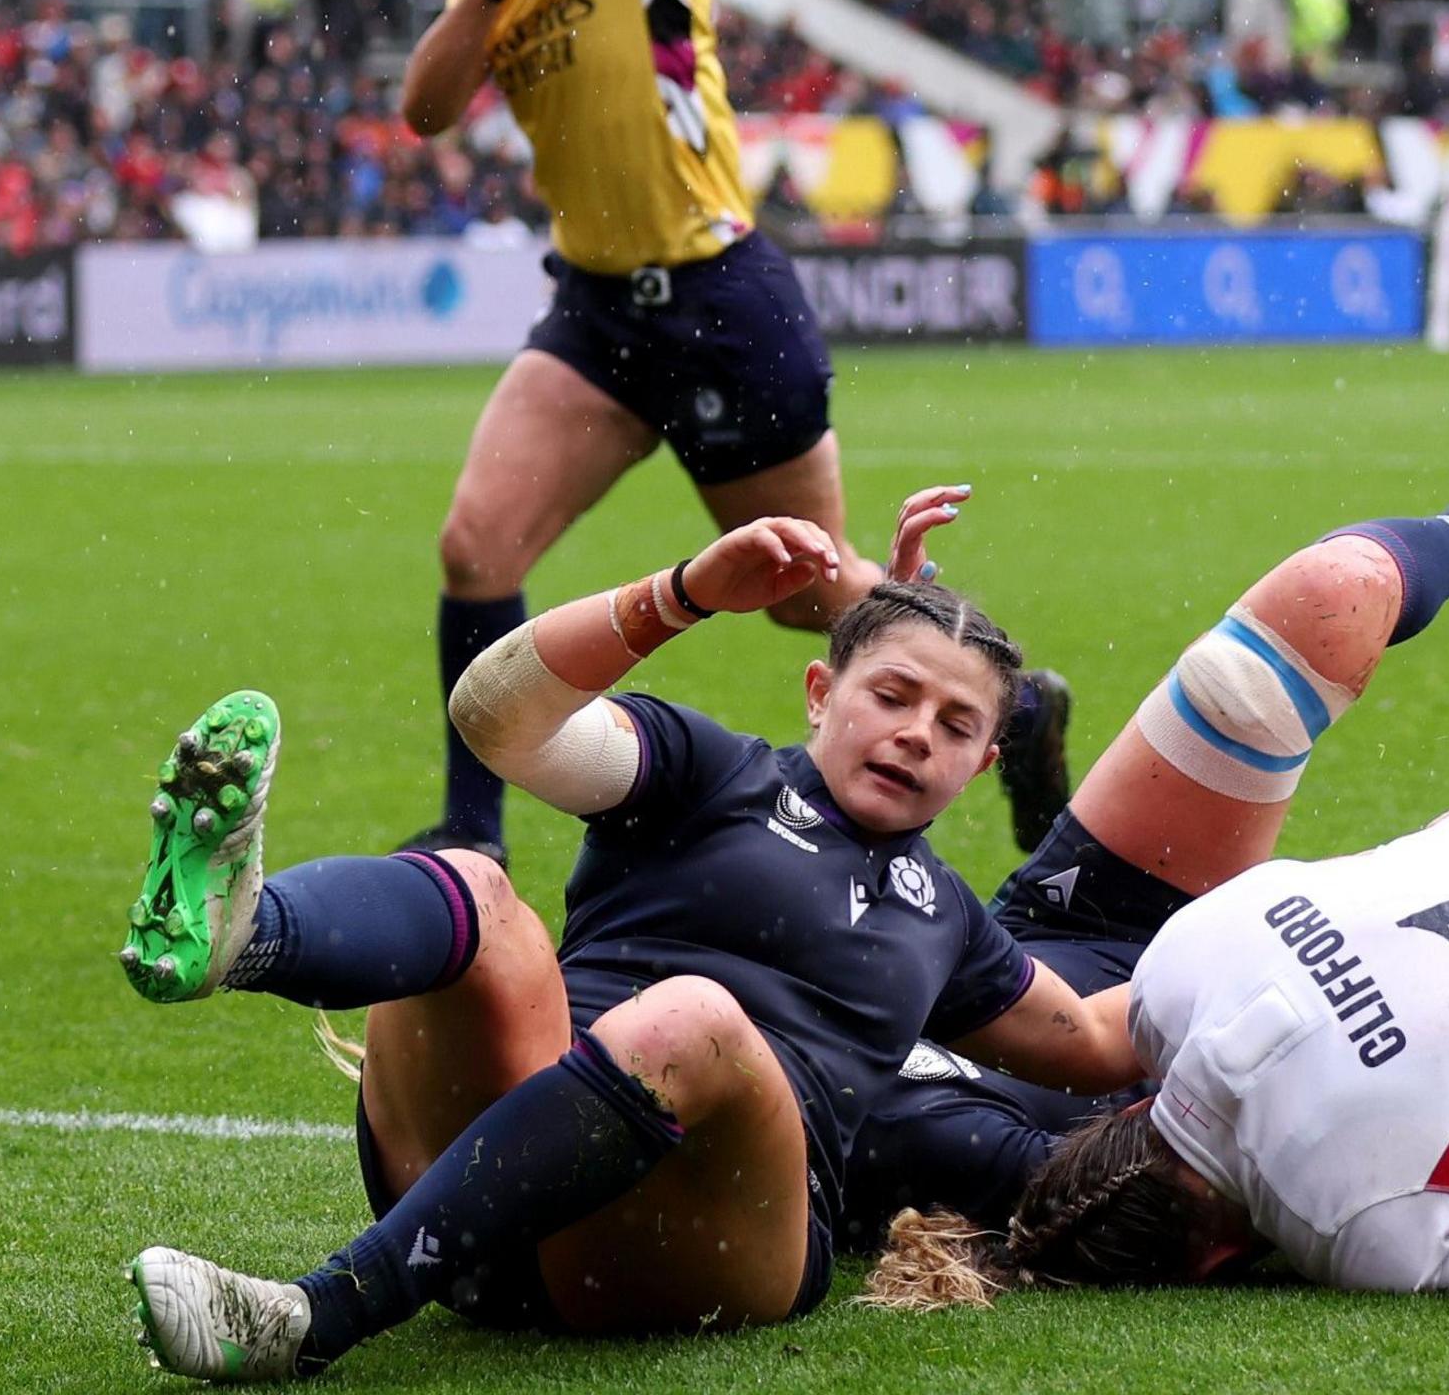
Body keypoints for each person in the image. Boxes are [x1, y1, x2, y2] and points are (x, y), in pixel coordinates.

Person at [391, 0, 1065, 865]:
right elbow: (427, 109)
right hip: (596, 312)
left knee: (815, 596)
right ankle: (472, 838)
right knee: (474, 549)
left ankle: (1015, 698)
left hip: (718, 297)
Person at [115, 504, 1140, 1382]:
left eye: (957, 725)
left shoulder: (948, 917)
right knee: (478, 884)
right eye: (893, 694)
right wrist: (682, 593)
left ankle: (316, 1313)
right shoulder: (716, 772)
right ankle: (246, 936)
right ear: (821, 694)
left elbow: (1094, 1043)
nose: (918, 732)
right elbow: (497, 718)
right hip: (512, 1172)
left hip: (708, 1242)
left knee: (693, 1017)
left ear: (984, 761)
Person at [835, 335, 1449, 1266]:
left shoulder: (729, 917)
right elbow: (1169, 1189)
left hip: (1066, 931)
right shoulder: (890, 1150)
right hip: (1239, 1034)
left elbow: (839, 856)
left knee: (1330, 599)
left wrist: (907, 647)